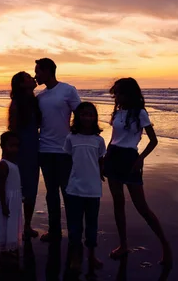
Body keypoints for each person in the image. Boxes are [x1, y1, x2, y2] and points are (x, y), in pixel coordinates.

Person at [103, 78, 173, 267]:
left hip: (130, 159)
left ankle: (165, 246)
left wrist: (140, 159)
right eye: (115, 93)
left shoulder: (140, 113)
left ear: (129, 93)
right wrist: (105, 160)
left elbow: (153, 140)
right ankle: (123, 245)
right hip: (113, 157)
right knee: (118, 204)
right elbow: (114, 138)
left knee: (141, 207)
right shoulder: (117, 112)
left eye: (119, 92)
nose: (116, 96)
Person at [34, 58, 81, 242]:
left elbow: (80, 115)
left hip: (64, 151)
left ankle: (73, 232)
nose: (35, 75)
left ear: (47, 71)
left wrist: (77, 141)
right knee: (51, 193)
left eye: (38, 71)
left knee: (68, 193)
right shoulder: (40, 97)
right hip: (44, 150)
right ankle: (54, 231)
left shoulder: (68, 90)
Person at [63, 102, 106, 271]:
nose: (87, 117)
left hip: (93, 190)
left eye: (91, 114)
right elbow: (67, 159)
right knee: (74, 226)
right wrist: (68, 179)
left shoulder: (99, 140)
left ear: (95, 118)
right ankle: (75, 256)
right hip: (74, 189)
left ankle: (91, 255)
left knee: (92, 224)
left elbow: (101, 161)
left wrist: (101, 172)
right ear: (78, 117)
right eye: (84, 114)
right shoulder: (71, 138)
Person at [8, 71, 41, 239]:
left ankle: (27, 225)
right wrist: (10, 155)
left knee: (30, 188)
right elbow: (12, 130)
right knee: (15, 188)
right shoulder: (16, 104)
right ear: (21, 84)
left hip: (33, 149)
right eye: (28, 77)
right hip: (20, 150)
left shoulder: (35, 102)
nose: (33, 78)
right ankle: (13, 224)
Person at [0, 131, 23, 259]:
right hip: (7, 200)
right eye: (11, 146)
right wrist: (4, 205)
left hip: (14, 199)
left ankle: (11, 246)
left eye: (17, 146)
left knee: (13, 222)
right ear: (3, 146)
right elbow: (1, 186)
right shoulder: (3, 165)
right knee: (7, 223)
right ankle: (7, 248)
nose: (14, 149)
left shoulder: (13, 163)